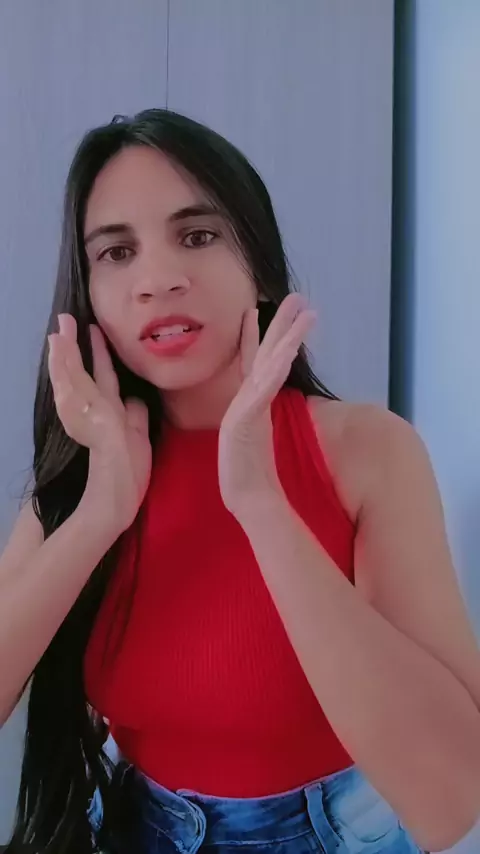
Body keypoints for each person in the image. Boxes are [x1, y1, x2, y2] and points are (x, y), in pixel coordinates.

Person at [0, 109, 479, 854]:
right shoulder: (87, 471)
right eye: (117, 252)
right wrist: (100, 511)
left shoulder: (367, 451)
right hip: (135, 828)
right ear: (87, 293)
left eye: (197, 236)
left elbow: (449, 804)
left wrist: (261, 503)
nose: (159, 280)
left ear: (258, 262)